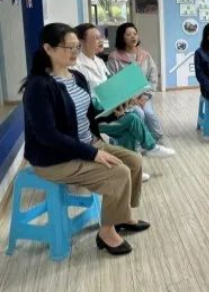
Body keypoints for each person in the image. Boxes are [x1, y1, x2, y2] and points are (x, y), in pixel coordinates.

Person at [21, 23, 149, 256]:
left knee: (134, 161)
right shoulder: (38, 86)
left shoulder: (77, 77)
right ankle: (106, 232)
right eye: (68, 47)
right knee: (118, 173)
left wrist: (114, 111)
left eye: (76, 47)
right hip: (56, 158)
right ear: (48, 49)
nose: (74, 52)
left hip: (87, 143)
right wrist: (93, 153)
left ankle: (122, 216)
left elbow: (89, 115)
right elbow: (47, 135)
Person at [74, 24, 174, 171]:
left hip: (112, 109)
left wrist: (123, 102)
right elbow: (87, 98)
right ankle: (150, 148)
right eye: (96, 38)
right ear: (81, 42)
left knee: (133, 122)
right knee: (133, 118)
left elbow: (111, 86)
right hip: (95, 119)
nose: (100, 40)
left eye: (101, 37)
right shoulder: (77, 66)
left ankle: (132, 168)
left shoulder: (99, 62)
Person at [107, 23, 164, 143]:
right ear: (121, 37)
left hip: (144, 95)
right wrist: (130, 99)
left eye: (135, 34)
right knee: (139, 114)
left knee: (149, 113)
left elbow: (153, 77)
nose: (133, 37)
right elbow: (112, 82)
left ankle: (157, 138)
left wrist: (145, 96)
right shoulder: (114, 57)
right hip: (125, 100)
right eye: (128, 34)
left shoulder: (145, 55)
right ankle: (139, 142)